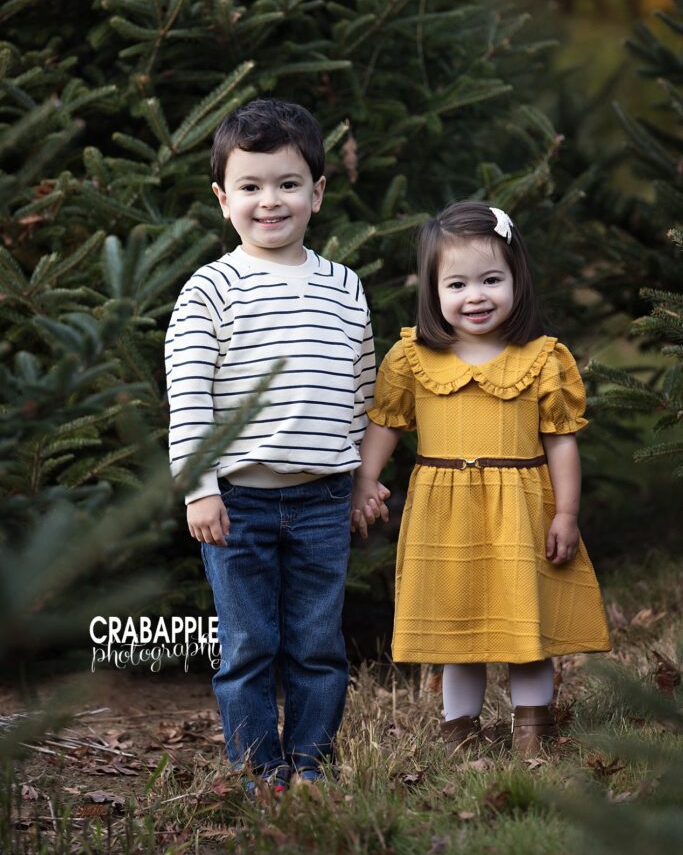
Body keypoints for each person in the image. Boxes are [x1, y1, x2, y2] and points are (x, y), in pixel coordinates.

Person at [165, 99, 381, 791]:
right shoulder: (211, 288)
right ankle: (260, 769)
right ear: (222, 197)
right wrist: (198, 487)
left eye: (287, 184)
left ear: (316, 193)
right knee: (249, 644)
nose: (270, 201)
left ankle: (311, 762)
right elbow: (190, 396)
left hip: (321, 501)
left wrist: (358, 481)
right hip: (236, 504)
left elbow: (361, 391)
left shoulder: (343, 288)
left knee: (317, 645)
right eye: (251, 186)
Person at [352, 200, 610, 756]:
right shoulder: (413, 357)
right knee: (456, 630)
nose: (475, 296)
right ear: (433, 290)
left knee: (527, 627)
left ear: (517, 280)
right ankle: (459, 734)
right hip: (445, 514)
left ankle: (532, 731)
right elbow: (386, 423)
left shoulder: (542, 358)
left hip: (521, 510)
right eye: (457, 284)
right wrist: (364, 479)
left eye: (492, 279)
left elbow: (560, 440)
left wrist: (566, 513)